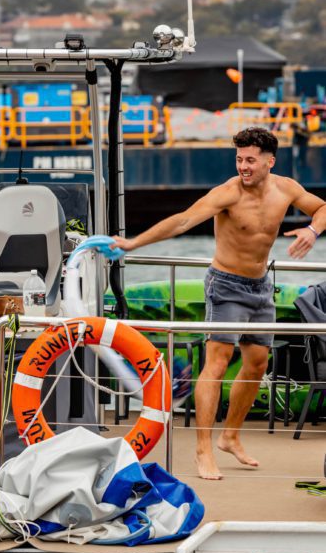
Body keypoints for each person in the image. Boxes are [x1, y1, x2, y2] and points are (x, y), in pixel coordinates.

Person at [110, 127, 326, 480]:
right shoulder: (227, 193)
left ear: (270, 162)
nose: (243, 166)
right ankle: (203, 450)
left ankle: (231, 436)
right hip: (225, 285)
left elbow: (321, 208)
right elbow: (182, 220)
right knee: (217, 363)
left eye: (251, 160)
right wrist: (134, 244)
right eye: (239, 159)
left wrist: (312, 231)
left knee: (257, 364)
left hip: (260, 286)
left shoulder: (286, 188)